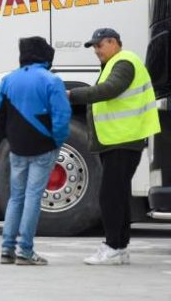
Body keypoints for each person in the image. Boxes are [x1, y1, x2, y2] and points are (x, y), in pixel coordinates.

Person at [68, 28, 160, 266]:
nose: (97, 51)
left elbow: (109, 90)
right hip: (118, 140)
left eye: (100, 45)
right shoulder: (117, 63)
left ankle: (112, 246)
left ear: (114, 42)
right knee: (117, 195)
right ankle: (119, 247)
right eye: (94, 47)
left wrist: (71, 95)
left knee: (110, 196)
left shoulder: (124, 62)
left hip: (123, 140)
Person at [0, 37, 70, 265]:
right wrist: (57, 141)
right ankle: (25, 250)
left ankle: (7, 249)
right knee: (33, 198)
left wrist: (11, 138)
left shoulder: (8, 80)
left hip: (17, 148)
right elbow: (62, 117)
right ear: (45, 55)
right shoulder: (52, 81)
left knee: (16, 197)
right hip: (44, 148)